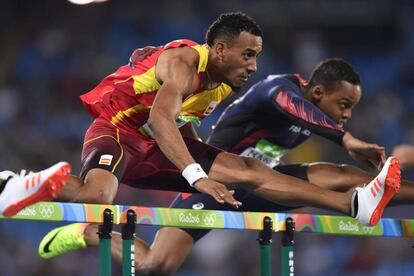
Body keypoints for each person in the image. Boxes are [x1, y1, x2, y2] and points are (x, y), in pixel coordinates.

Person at [38, 59, 405, 275]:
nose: (346, 114)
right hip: (218, 187)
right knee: (154, 267)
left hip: (265, 183)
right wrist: (345, 137)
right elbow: (296, 110)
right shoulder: (276, 89)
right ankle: (86, 233)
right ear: (318, 93)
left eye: (351, 109)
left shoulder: (315, 115)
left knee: (345, 176)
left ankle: (361, 203)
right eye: (344, 104)